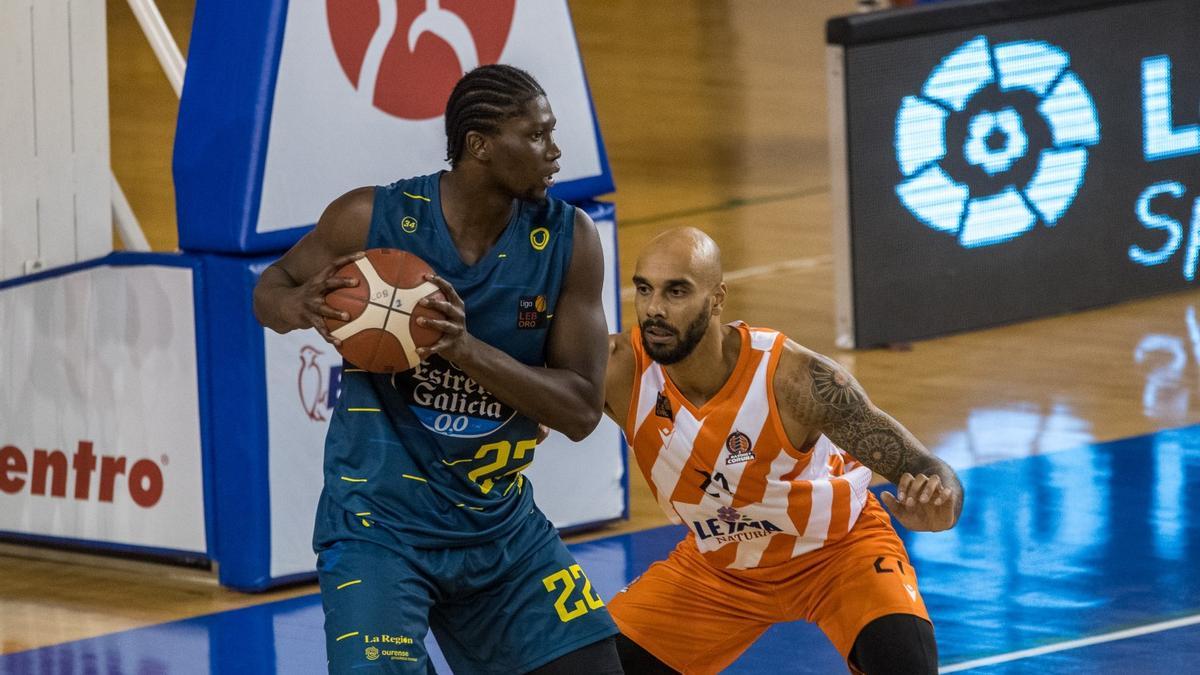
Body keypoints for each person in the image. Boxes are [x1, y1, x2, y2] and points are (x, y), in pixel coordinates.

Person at [253, 64, 622, 674]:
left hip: (499, 529)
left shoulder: (568, 239)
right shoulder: (369, 218)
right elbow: (271, 287)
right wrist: (297, 306)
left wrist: (461, 348)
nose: (555, 153)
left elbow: (582, 410)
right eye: (536, 136)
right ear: (479, 146)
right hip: (380, 529)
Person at [602, 227, 964, 674]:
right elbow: (532, 398)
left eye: (676, 291)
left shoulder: (796, 379)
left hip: (839, 551)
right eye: (644, 289)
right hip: (719, 568)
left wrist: (942, 504)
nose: (654, 309)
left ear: (717, 300)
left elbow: (924, 466)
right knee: (596, 665)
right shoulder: (617, 369)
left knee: (905, 663)